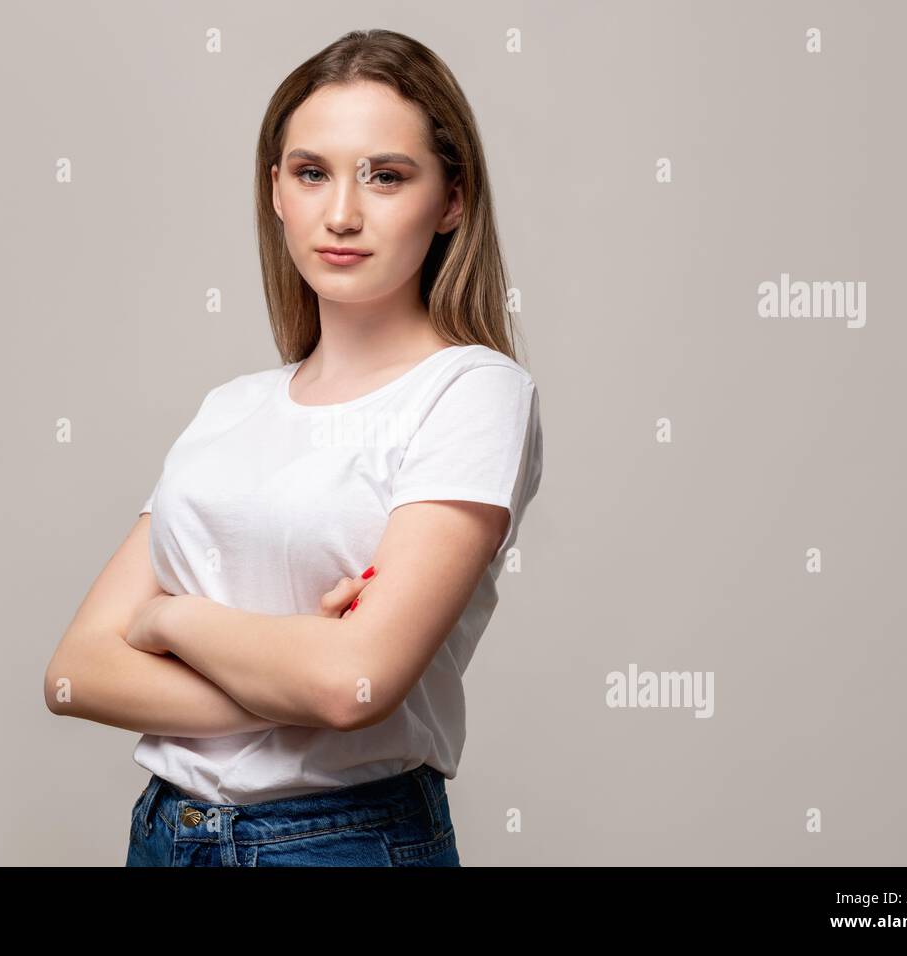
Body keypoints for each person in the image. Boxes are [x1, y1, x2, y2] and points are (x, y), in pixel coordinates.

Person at [45, 28, 544, 867]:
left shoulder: (473, 392)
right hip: (167, 834)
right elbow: (77, 670)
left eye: (386, 176)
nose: (341, 213)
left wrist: (171, 618)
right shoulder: (228, 409)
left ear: (451, 200)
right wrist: (290, 665)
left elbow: (353, 688)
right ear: (276, 189)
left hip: (341, 842)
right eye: (312, 172)